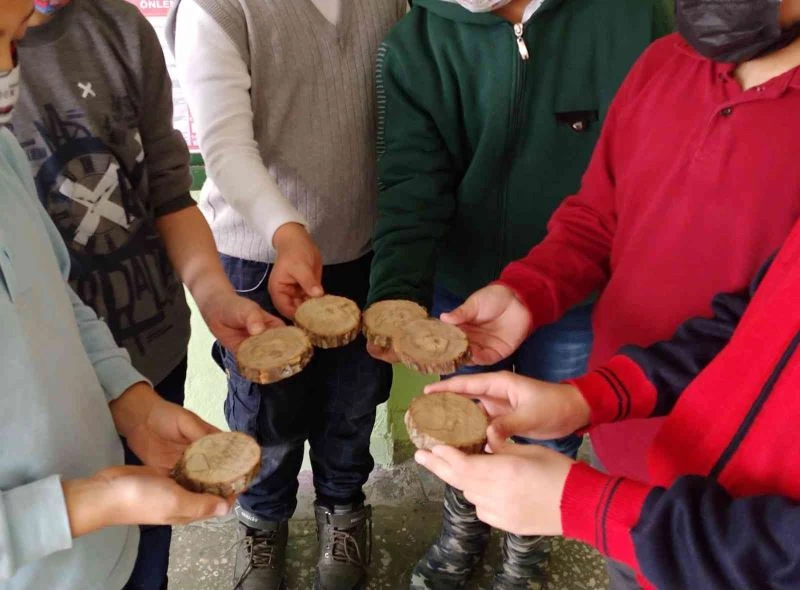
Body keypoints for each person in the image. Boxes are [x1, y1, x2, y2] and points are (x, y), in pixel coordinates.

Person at [432, 0, 800, 586]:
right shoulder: (663, 63)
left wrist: (587, 506)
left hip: (744, 507)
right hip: (622, 436)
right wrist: (529, 294)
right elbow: (601, 218)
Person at [364, 0, 672, 587]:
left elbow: (654, 167)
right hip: (467, 290)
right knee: (465, 420)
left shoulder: (634, 20)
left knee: (553, 421)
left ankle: (528, 540)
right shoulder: (416, 44)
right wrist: (397, 299)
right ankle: (465, 521)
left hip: (584, 290)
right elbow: (411, 182)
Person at [8, 0, 283, 587]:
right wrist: (92, 503)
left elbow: (163, 194)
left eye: (17, 35)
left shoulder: (119, 30)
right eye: (6, 34)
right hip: (42, 493)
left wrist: (210, 297)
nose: (14, 64)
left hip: (140, 364)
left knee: (146, 550)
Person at [415, 219, 800, 589]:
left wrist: (594, 510)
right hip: (655, 524)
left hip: (669, 537)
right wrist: (585, 399)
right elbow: (747, 324)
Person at [166, 1, 407, 588]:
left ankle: (344, 509)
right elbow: (223, 144)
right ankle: (262, 521)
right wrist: (286, 229)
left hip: (366, 246)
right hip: (258, 258)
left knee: (354, 402)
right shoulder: (216, 9)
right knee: (265, 416)